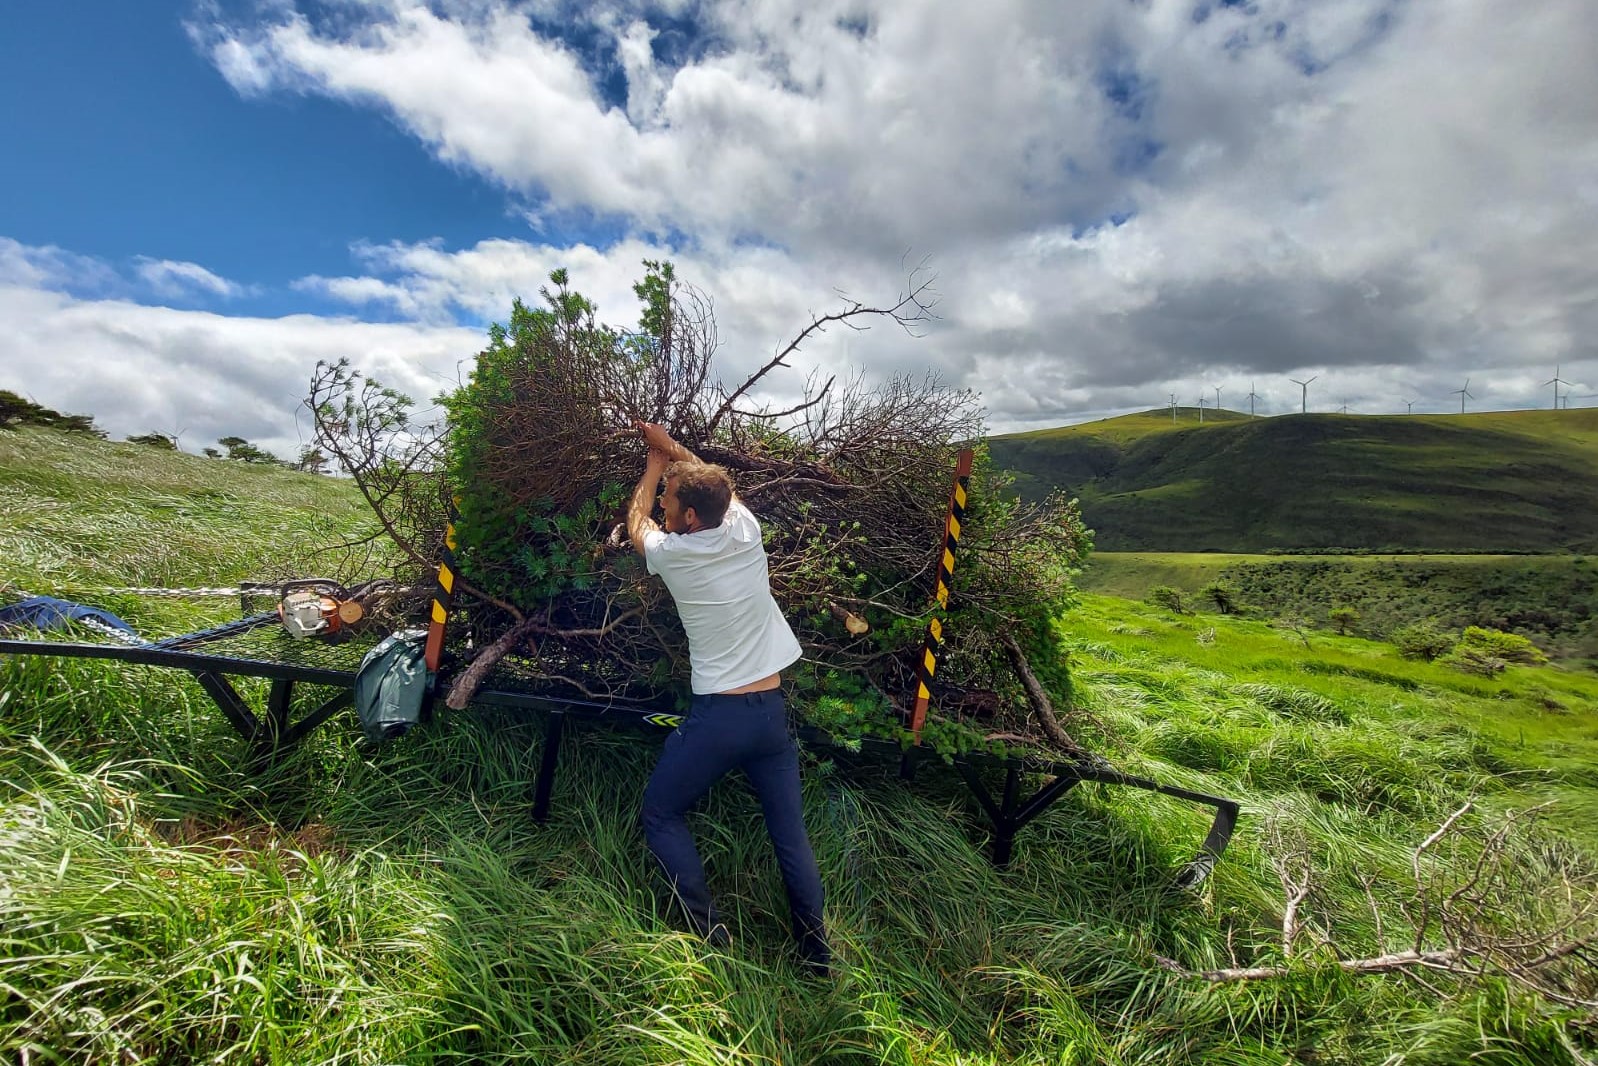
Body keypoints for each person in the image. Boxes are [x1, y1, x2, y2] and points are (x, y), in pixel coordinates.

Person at [626, 420, 831, 975]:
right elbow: (713, 488)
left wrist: (651, 467)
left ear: (690, 518)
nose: (665, 508)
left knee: (661, 812)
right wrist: (673, 451)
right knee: (791, 836)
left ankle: (710, 934)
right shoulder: (745, 528)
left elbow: (635, 522)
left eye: (672, 503)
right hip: (770, 716)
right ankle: (817, 957)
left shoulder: (673, 555)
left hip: (719, 718)